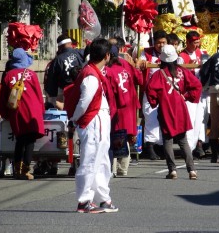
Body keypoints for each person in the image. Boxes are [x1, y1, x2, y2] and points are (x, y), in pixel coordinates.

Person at [67, 38, 118, 213]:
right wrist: (75, 118)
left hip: (98, 119)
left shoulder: (93, 71)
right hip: (93, 120)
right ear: (107, 55)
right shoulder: (91, 74)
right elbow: (84, 101)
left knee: (101, 161)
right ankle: (84, 200)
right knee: (90, 160)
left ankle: (103, 198)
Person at [146, 45, 202, 179]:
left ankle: (172, 170)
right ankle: (192, 170)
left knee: (168, 140)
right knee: (183, 140)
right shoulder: (182, 71)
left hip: (166, 108)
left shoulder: (159, 74)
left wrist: (155, 101)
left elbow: (150, 90)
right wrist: (187, 96)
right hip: (180, 107)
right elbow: (197, 85)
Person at [0, 48, 45, 180]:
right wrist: (42, 110)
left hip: (16, 110)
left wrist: (2, 112)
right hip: (32, 110)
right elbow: (39, 95)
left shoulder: (8, 75)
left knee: (20, 139)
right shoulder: (31, 74)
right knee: (30, 140)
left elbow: (3, 97)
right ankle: (25, 170)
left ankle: (17, 170)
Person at [105, 45, 143, 177]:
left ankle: (113, 168)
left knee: (114, 135)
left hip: (117, 105)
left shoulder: (108, 70)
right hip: (130, 104)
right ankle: (123, 168)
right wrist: (136, 67)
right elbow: (139, 79)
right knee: (125, 136)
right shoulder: (126, 66)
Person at [136, 30, 168, 160]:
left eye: (163, 42)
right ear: (154, 43)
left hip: (165, 91)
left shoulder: (170, 52)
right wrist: (141, 62)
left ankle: (160, 146)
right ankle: (149, 146)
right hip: (150, 91)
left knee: (163, 119)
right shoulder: (147, 52)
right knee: (151, 117)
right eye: (159, 43)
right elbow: (139, 62)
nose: (161, 45)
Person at [178, 30, 208, 158]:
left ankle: (199, 144)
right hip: (189, 93)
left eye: (198, 42)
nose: (197, 45)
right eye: (195, 43)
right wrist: (189, 66)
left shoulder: (202, 53)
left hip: (201, 91)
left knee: (201, 120)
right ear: (188, 42)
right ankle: (188, 147)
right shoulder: (182, 56)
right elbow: (179, 72)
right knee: (190, 119)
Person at [44, 34, 85, 110]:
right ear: (70, 44)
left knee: (70, 113)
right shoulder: (81, 53)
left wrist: (51, 96)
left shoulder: (57, 60)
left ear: (59, 47)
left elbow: (52, 81)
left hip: (68, 92)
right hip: (83, 89)